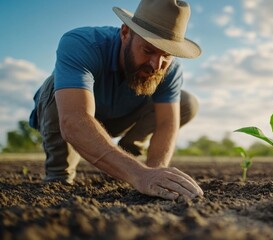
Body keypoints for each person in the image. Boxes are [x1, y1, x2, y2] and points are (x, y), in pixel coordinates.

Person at [29, 0, 204, 200]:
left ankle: (127, 161)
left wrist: (156, 173)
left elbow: (166, 123)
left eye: (166, 55)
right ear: (125, 33)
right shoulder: (81, 43)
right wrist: (140, 175)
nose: (156, 65)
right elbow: (74, 120)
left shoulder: (169, 70)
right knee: (54, 85)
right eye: (148, 50)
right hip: (71, 117)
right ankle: (60, 174)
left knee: (186, 102)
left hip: (121, 120)